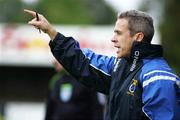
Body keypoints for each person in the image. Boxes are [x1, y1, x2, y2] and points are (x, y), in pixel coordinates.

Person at [24, 9, 180, 120]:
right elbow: (84, 62)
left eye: (118, 33)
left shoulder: (157, 78)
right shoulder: (120, 67)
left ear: (138, 37)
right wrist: (51, 32)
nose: (113, 39)